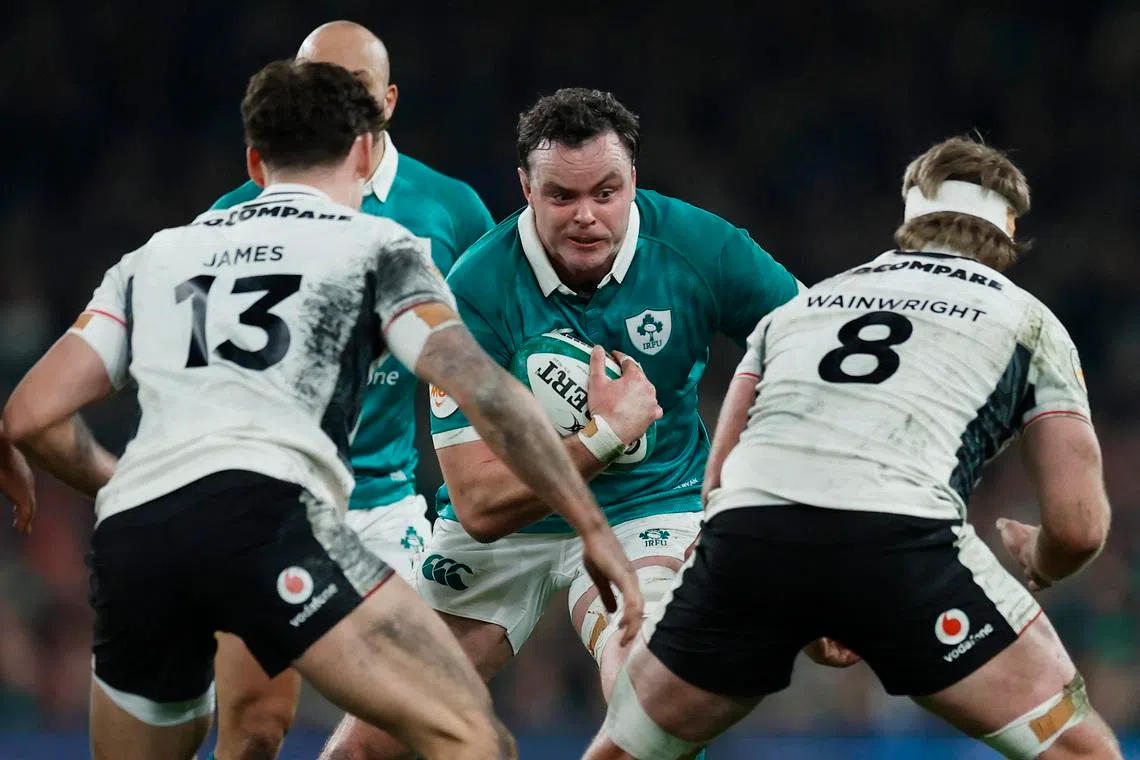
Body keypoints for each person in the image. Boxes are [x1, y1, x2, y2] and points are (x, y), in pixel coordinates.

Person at [0, 60, 642, 760]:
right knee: (471, 737)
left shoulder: (157, 256)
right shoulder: (375, 249)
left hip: (135, 541)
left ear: (254, 160)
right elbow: (482, 389)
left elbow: (29, 416)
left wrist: (125, 483)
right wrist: (590, 525)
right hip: (266, 516)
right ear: (365, 154)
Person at [581, 136, 1122, 760]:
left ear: (910, 221)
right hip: (902, 542)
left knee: (625, 751)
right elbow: (1079, 527)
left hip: (748, 545)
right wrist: (1043, 561)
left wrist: (808, 598)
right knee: (1079, 751)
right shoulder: (1028, 321)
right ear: (1009, 233)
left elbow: (721, 480)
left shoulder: (801, 308)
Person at [320, 87, 800, 760]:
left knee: (648, 687)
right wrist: (604, 436)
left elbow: (813, 348)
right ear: (526, 188)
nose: (586, 217)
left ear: (633, 180)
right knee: (364, 751)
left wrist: (758, 486)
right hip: (511, 528)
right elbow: (479, 506)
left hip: (648, 507)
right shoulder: (473, 289)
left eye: (606, 193)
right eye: (561, 196)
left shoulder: (701, 247)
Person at [208, 20, 495, 759]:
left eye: (356, 87)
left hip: (384, 511)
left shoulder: (450, 210)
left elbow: (491, 353)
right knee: (255, 731)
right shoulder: (230, 217)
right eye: (318, 84)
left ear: (389, 101)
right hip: (267, 510)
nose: (335, 101)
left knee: (424, 724)